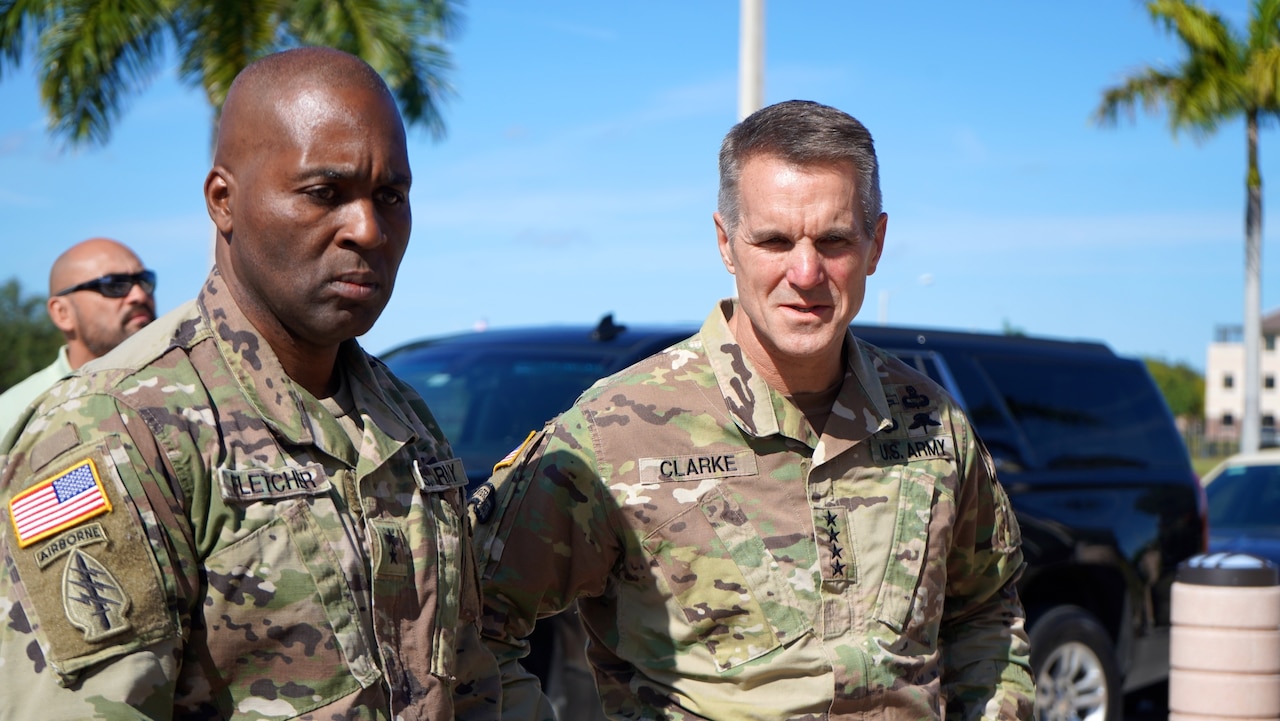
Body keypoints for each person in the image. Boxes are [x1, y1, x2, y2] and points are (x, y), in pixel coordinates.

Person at [458, 100, 1035, 719]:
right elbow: (469, 628)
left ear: (877, 243)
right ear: (726, 243)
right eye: (775, 240)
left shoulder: (932, 424)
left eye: (834, 240)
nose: (806, 272)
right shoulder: (613, 434)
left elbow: (986, 614)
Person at [0, 47, 493, 719]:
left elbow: (471, 674)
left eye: (390, 196)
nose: (368, 229)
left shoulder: (401, 418)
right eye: (325, 193)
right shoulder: (114, 428)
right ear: (223, 202)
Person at [0, 238, 156, 440]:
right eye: (114, 285)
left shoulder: (185, 386)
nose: (139, 295)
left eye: (145, 281)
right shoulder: (14, 418)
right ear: (62, 312)